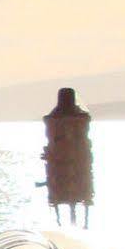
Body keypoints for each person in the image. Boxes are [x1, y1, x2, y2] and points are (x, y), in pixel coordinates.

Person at [41, 87, 94, 226]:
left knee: (64, 192)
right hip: (78, 162)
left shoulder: (53, 120)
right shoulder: (81, 119)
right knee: (80, 192)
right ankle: (81, 223)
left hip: (59, 163)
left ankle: (62, 223)